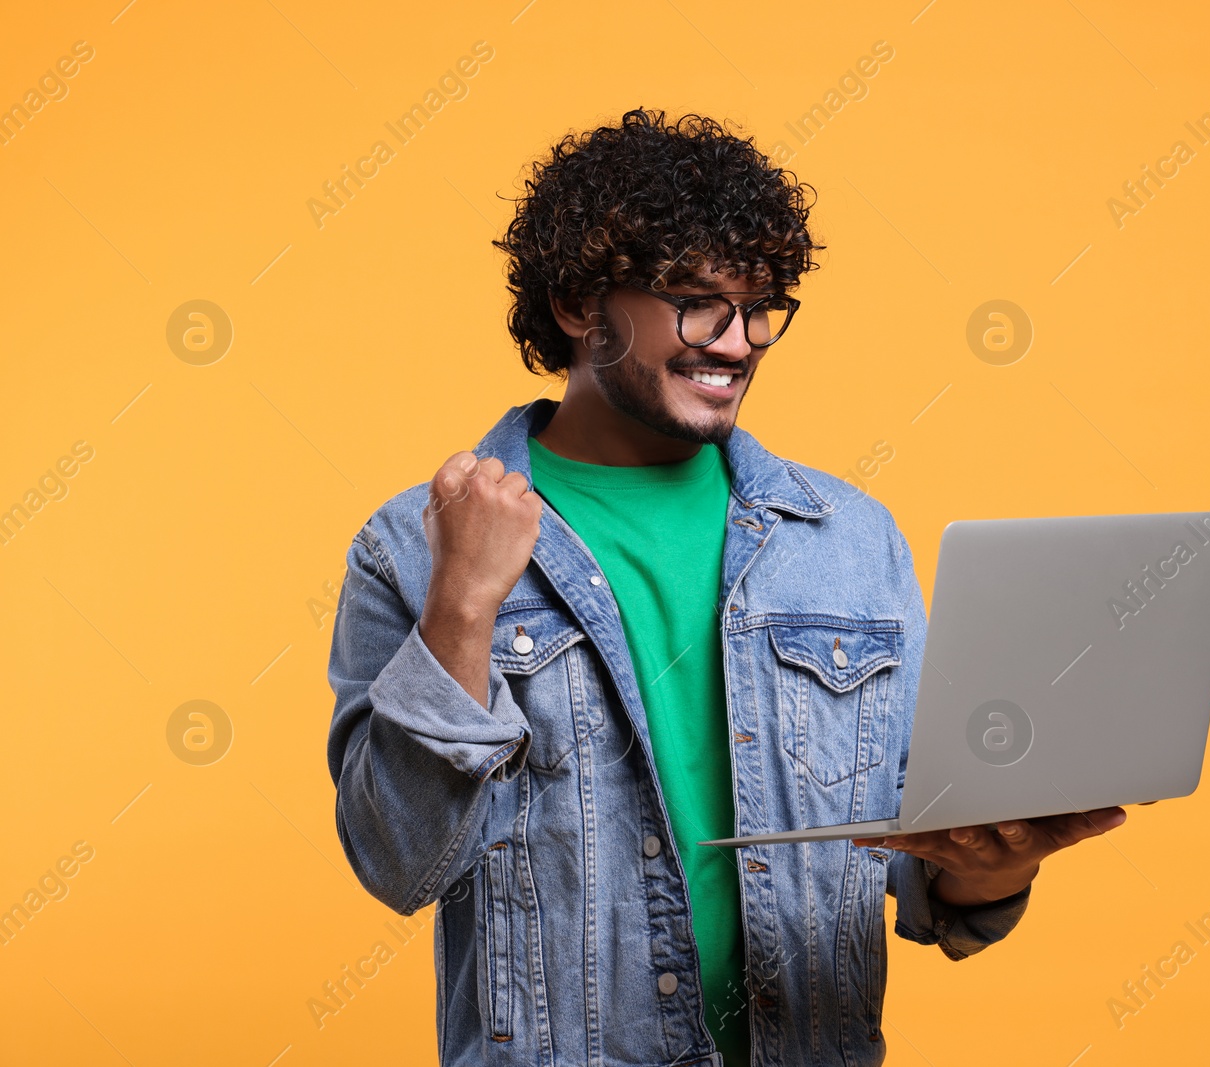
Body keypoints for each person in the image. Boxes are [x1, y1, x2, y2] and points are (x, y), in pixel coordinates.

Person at [326, 107, 1127, 1067]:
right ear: (582, 305)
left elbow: (919, 879)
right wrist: (462, 606)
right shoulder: (412, 547)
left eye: (760, 309)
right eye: (700, 303)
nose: (739, 344)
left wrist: (995, 867)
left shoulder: (849, 540)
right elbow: (397, 861)